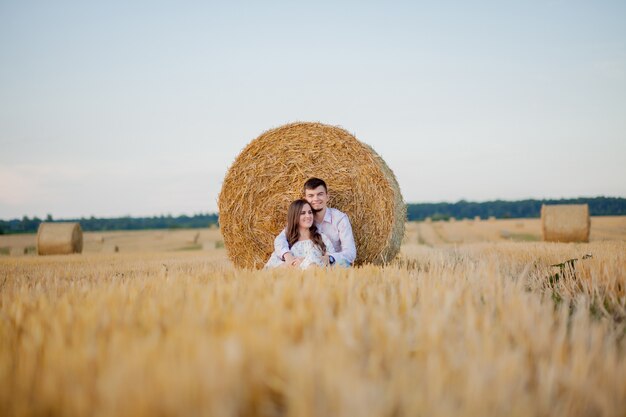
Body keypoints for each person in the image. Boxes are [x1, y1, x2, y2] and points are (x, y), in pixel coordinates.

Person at [274, 178, 356, 267]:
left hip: (332, 264)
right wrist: (287, 255)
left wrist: (329, 258)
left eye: (320, 194)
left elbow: (350, 253)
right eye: (311, 195)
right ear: (305, 199)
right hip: (305, 264)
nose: (316, 199)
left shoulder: (340, 219)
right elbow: (280, 240)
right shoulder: (303, 219)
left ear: (327, 196)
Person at [265, 199, 335, 269]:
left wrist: (306, 261)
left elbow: (333, 260)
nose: (308, 216)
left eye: (310, 212)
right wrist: (291, 263)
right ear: (294, 216)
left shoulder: (321, 238)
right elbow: (271, 269)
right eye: (303, 213)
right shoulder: (286, 242)